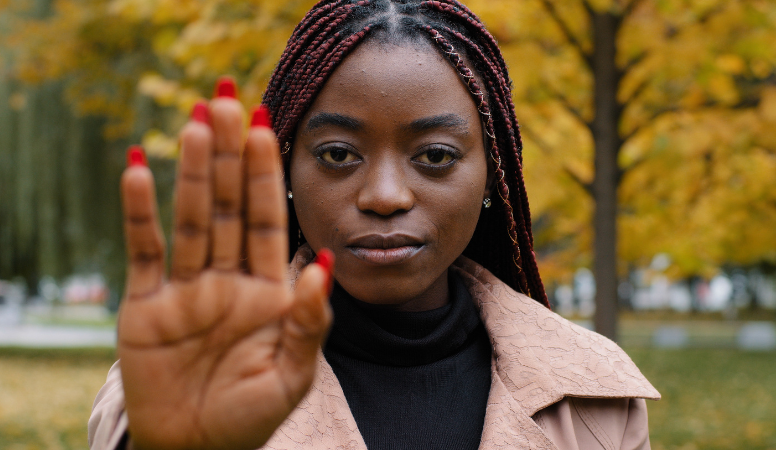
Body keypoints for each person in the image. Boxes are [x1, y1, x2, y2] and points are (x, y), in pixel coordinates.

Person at [89, 1, 660, 449]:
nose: (385, 196)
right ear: (286, 166)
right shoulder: (179, 386)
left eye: (435, 156)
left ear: (493, 177)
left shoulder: (593, 393)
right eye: (338, 154)